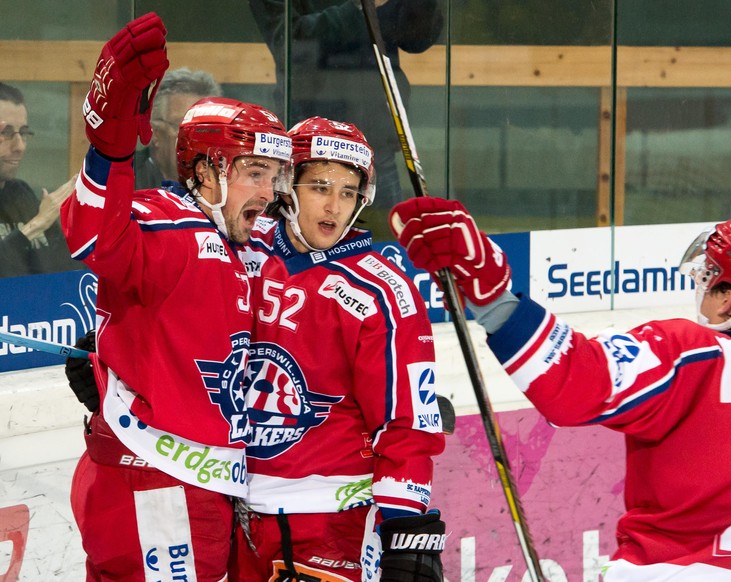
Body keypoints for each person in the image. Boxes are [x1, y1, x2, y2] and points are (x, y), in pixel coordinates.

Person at [389, 197, 731, 581]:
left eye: (713, 277)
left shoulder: (691, 356)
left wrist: (493, 292)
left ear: (730, 299)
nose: (703, 283)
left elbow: (572, 382)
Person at [60, 13, 291, 581]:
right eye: (256, 173)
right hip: (157, 486)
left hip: (204, 483)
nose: (270, 191)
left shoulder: (243, 235)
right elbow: (94, 235)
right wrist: (108, 147)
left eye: (275, 175)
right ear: (209, 170)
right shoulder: (168, 220)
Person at [230, 116, 446, 581]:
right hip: (229, 508)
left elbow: (405, 424)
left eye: (349, 192)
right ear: (287, 184)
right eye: (320, 187)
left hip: (328, 523)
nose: (334, 206)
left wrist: (406, 531)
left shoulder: (382, 292)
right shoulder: (239, 248)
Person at [247, 0, 444, 214]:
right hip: (309, 145)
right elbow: (289, 40)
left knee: (382, 242)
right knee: (306, 240)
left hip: (375, 143)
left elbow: (417, 39)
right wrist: (361, 8)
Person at [0, 81, 79, 278]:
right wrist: (37, 225)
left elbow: (68, 271)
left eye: (23, 133)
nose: (20, 146)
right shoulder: (38, 217)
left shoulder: (21, 194)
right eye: (6, 133)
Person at [133, 67, 222, 190]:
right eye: (184, 128)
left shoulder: (224, 185)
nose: (196, 140)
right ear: (156, 133)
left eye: (205, 129)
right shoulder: (128, 182)